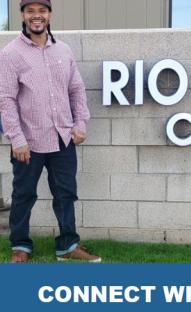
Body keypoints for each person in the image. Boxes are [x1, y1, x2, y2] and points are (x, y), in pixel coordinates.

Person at [0, 0, 100, 263]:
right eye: (31, 11)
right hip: (28, 142)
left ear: (49, 14)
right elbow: (6, 99)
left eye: (41, 11)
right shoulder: (10, 53)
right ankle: (20, 246)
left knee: (65, 193)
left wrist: (80, 124)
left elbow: (76, 89)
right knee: (23, 195)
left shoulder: (64, 50)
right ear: (22, 15)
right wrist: (16, 138)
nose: (37, 16)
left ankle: (67, 245)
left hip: (63, 138)